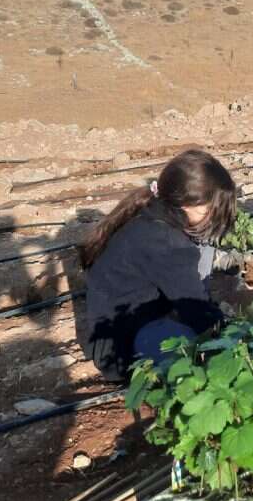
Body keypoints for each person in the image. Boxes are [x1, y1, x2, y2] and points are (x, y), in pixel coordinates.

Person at [78, 149, 236, 381]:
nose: (212, 218)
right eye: (210, 210)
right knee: (187, 354)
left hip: (120, 323)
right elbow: (197, 311)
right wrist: (236, 336)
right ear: (187, 203)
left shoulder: (152, 212)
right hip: (121, 345)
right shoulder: (167, 243)